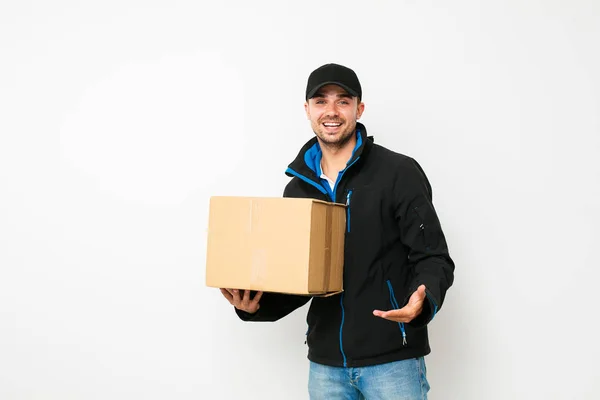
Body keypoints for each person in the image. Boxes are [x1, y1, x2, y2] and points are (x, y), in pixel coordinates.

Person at [220, 63, 455, 400]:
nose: (331, 111)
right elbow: (300, 281)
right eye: (320, 101)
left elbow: (433, 258)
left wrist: (424, 298)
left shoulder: (398, 173)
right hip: (326, 368)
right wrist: (255, 306)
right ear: (307, 110)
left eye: (343, 101)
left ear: (359, 109)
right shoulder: (298, 190)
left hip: (392, 362)